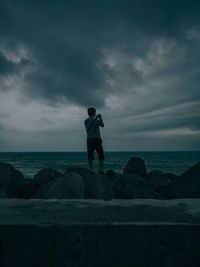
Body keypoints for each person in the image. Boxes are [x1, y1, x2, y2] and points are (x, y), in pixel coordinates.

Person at [84, 107, 105, 174]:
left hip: (89, 139)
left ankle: (91, 169)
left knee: (90, 154)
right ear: (94, 113)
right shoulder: (96, 120)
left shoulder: (85, 121)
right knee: (100, 154)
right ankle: (101, 169)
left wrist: (96, 118)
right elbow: (102, 125)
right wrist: (100, 118)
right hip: (97, 138)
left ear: (88, 113)